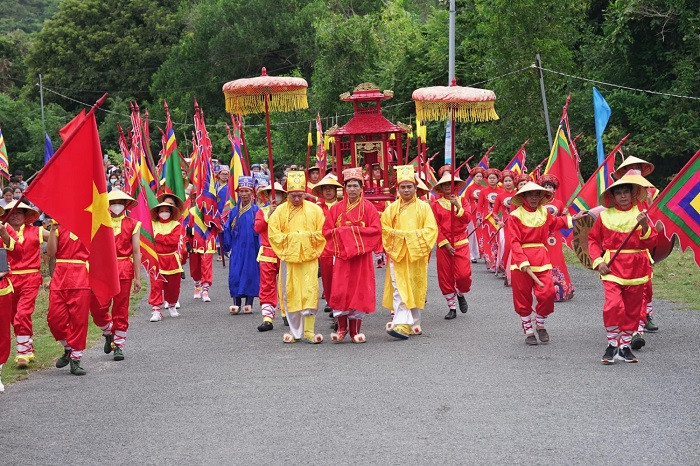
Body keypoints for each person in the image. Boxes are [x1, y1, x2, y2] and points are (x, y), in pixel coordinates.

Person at [588, 173, 656, 364]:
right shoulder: (604, 216)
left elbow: (652, 242)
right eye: (619, 193)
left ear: (633, 194)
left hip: (637, 268)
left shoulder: (642, 215)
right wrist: (598, 261)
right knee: (613, 305)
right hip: (612, 268)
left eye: (626, 192)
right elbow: (593, 240)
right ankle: (612, 344)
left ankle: (624, 346)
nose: (623, 196)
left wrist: (644, 226)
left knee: (633, 310)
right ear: (613, 197)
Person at [507, 181, 577, 346]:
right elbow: (514, 241)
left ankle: (540, 323)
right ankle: (528, 330)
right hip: (521, 261)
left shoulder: (544, 213)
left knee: (547, 293)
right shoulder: (515, 216)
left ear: (541, 197)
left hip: (541, 258)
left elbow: (555, 223)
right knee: (522, 297)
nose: (533, 197)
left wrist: (572, 218)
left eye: (537, 194)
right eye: (530, 194)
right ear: (523, 197)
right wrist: (522, 260)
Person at [322, 167, 382, 343]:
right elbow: (326, 231)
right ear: (344, 188)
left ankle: (355, 332)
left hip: (361, 258)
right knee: (341, 290)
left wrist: (351, 232)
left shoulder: (369, 208)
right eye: (349, 186)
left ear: (361, 187)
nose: (353, 189)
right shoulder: (337, 209)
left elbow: (376, 230)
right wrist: (344, 234)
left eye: (356, 185)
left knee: (359, 290)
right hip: (342, 257)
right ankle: (341, 329)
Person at [268, 170, 326, 344]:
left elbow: (322, 233)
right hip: (289, 259)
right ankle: (295, 332)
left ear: (304, 194)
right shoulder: (279, 212)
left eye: (300, 195)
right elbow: (273, 234)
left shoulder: (315, 210)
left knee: (310, 291)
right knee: (290, 292)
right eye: (292, 195)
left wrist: (302, 238)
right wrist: (296, 238)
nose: (296, 199)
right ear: (287, 194)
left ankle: (309, 331)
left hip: (309, 258)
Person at [382, 165, 438, 340]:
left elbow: (431, 230)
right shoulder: (391, 209)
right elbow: (385, 229)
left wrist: (408, 238)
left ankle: (415, 322)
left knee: (415, 287)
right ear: (397, 189)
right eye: (403, 187)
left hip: (416, 255)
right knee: (400, 289)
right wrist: (401, 238)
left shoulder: (424, 207)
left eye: (409, 186)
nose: (406, 190)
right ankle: (402, 324)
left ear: (415, 188)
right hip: (398, 254)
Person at [88, 191, 141, 360]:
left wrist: (138, 278)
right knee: (97, 307)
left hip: (124, 267)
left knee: (121, 307)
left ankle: (119, 344)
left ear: (126, 204)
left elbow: (136, 251)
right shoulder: (99, 222)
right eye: (113, 202)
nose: (116, 204)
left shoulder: (133, 224)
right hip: (103, 268)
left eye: (120, 202)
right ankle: (108, 330)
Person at [612, 156, 659, 345]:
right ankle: (627, 324)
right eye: (630, 167)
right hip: (621, 248)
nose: (634, 169)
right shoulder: (619, 193)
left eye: (637, 167)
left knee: (646, 286)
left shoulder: (652, 192)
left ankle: (646, 316)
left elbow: (658, 215)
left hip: (644, 243)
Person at [2, 201, 46, 368]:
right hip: (9, 279)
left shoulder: (37, 231)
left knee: (23, 314)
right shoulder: (2, 232)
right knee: (14, 317)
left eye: (19, 212)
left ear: (26, 215)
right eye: (11, 212)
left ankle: (22, 353)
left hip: (30, 278)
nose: (15, 215)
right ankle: (27, 345)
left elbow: (59, 238)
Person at [46, 222, 91, 375]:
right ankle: (68, 348)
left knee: (79, 321)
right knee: (54, 320)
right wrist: (52, 229)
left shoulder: (91, 225)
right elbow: (52, 252)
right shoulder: (59, 226)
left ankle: (76, 359)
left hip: (81, 277)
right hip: (60, 277)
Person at [430, 172, 472, 320]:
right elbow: (435, 226)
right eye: (445, 184)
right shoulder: (435, 204)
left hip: (461, 241)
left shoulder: (463, 201)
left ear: (456, 186)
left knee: (463, 275)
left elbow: (467, 219)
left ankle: (460, 293)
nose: (448, 186)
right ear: (441, 187)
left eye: (451, 184)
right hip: (444, 244)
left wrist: (457, 205)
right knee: (445, 276)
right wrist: (445, 243)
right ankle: (451, 307)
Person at [223, 176, 260, 314]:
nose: (244, 194)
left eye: (247, 191)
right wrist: (224, 237)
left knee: (250, 273)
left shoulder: (256, 210)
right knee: (235, 273)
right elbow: (227, 228)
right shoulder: (233, 211)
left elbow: (261, 229)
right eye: (241, 191)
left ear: (252, 193)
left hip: (252, 248)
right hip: (237, 247)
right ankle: (236, 303)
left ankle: (249, 303)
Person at [254, 182, 287, 331]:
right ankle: (267, 318)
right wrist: (269, 215)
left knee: (287, 284)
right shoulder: (262, 211)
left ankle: (287, 313)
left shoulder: (288, 211)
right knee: (267, 285)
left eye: (279, 194)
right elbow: (257, 228)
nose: (276, 197)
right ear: (267, 196)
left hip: (285, 252)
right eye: (273, 194)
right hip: (267, 253)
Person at [148, 192, 185, 322]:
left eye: (167, 210)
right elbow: (150, 239)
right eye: (161, 210)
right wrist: (162, 239)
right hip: (157, 258)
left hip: (172, 259)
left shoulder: (176, 225)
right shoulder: (152, 224)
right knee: (156, 284)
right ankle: (156, 309)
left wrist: (158, 237)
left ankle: (172, 305)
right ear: (157, 212)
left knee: (173, 285)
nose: (164, 212)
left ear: (171, 211)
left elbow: (173, 240)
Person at [539, 174, 575, 301]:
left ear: (554, 190)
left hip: (555, 236)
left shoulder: (559, 203)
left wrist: (565, 214)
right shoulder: (538, 203)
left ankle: (563, 290)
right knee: (543, 262)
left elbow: (563, 220)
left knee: (557, 260)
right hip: (541, 237)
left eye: (550, 187)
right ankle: (545, 291)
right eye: (546, 187)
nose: (548, 189)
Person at [312, 175, 342, 314]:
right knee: (327, 276)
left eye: (331, 188)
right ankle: (330, 302)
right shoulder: (317, 208)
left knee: (341, 276)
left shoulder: (342, 205)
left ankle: (340, 303)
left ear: (337, 190)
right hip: (324, 247)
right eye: (325, 189)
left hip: (340, 246)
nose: (328, 191)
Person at [184, 187, 216, 303]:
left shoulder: (212, 211)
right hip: (194, 244)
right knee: (195, 268)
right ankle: (197, 285)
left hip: (207, 242)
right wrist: (187, 241)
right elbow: (186, 228)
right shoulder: (191, 212)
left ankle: (206, 289)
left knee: (206, 266)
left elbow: (216, 227)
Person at [0, 207, 19, 389]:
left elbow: (18, 252)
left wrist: (4, 234)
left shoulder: (5, 228)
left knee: (2, 332)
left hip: (2, 288)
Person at [477, 168, 503, 272]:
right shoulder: (483, 191)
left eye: (494, 178)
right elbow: (479, 206)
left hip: (498, 220)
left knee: (498, 240)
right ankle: (491, 262)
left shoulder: (501, 191)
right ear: (487, 180)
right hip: (487, 220)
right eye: (490, 178)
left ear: (497, 180)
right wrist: (478, 218)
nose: (492, 180)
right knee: (489, 240)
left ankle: (499, 262)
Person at [493, 170, 517, 279]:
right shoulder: (500, 196)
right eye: (506, 181)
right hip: (505, 225)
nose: (508, 183)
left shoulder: (518, 195)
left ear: (513, 182)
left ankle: (515, 268)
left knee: (515, 246)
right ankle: (505, 268)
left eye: (510, 180)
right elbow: (494, 212)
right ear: (503, 182)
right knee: (507, 246)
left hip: (517, 224)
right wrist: (499, 221)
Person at [463, 167, 486, 262]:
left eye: (481, 176)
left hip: (483, 214)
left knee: (482, 233)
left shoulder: (485, 189)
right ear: (473, 178)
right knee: (472, 235)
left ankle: (484, 253)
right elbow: (465, 201)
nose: (479, 178)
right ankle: (472, 254)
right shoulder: (469, 189)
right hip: (472, 214)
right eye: (477, 176)